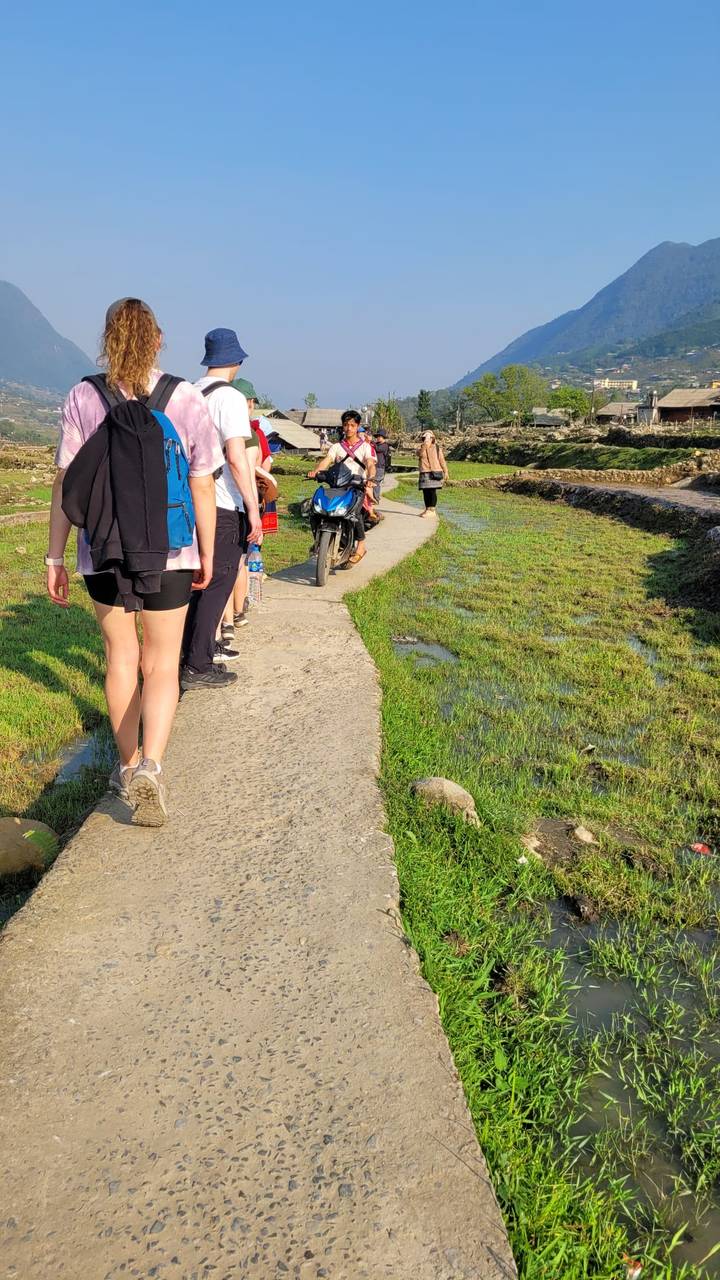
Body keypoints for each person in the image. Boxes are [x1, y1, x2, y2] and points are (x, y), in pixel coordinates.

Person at [47, 297, 221, 826]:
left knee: (121, 658)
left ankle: (126, 767)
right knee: (161, 662)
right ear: (158, 340)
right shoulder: (185, 397)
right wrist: (207, 552)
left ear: (107, 338)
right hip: (171, 550)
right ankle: (153, 764)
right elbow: (201, 482)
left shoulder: (83, 395)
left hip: (102, 550)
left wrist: (55, 555)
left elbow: (65, 482)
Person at [181, 329, 262, 690]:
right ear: (236, 361)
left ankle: (192, 651)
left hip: (188, 502)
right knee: (218, 581)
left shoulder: (186, 392)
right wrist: (253, 507)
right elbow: (236, 456)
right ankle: (197, 663)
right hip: (222, 503)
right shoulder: (228, 397)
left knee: (195, 581)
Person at [308, 410, 376, 564]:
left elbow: (371, 464)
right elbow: (327, 460)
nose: (349, 428)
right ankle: (318, 540)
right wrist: (316, 471)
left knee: (355, 514)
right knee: (316, 510)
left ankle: (361, 546)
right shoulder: (337, 446)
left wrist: (371, 477)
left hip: (356, 486)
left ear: (357, 426)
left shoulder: (366, 447)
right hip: (336, 486)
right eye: (346, 425)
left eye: (352, 425)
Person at [417, 430, 449, 518]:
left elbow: (442, 460)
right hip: (424, 472)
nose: (427, 439)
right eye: (425, 438)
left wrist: (446, 471)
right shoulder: (420, 448)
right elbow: (419, 454)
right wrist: (424, 446)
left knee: (432, 491)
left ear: (432, 439)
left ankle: (432, 509)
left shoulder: (437, 448)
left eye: (429, 438)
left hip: (434, 472)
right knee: (425, 491)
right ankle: (427, 509)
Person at [373, 428, 392, 503]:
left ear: (383, 437)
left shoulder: (384, 446)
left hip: (380, 467)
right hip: (375, 466)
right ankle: (374, 498)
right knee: (373, 482)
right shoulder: (377, 444)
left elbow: (377, 449)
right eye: (377, 436)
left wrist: (371, 441)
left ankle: (376, 498)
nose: (377, 438)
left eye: (379, 436)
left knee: (376, 482)